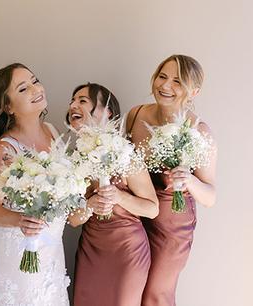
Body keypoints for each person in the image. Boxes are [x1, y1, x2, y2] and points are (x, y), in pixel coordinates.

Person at [126, 54, 217, 306]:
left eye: (177, 81)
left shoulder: (199, 131)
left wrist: (188, 179)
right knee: (129, 289)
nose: (165, 86)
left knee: (156, 293)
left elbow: (210, 196)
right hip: (135, 215)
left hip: (172, 223)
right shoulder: (135, 115)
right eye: (162, 76)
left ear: (194, 91)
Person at [0, 63, 70, 305]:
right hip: (18, 248)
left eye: (34, 80)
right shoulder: (5, 149)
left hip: (51, 245)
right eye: (23, 88)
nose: (35, 89)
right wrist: (19, 220)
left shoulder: (52, 131)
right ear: (7, 106)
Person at [67, 83, 158, 306]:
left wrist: (119, 197)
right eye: (73, 100)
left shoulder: (126, 155)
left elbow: (153, 209)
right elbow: (73, 220)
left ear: (107, 111)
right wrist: (90, 205)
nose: (73, 105)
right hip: (91, 251)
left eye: (82, 100)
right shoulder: (73, 160)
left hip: (127, 252)